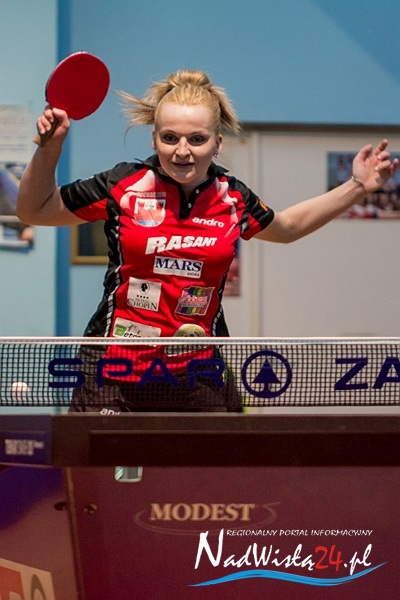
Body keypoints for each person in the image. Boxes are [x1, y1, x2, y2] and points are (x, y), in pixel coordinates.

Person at [16, 69, 399, 413]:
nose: (182, 151)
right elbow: (35, 210)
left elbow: (289, 227)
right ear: (155, 139)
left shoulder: (232, 198)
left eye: (196, 139)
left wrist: (357, 186)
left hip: (198, 370)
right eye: (170, 138)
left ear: (217, 142)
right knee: (99, 469)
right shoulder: (123, 184)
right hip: (111, 369)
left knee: (214, 468)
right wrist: (50, 147)